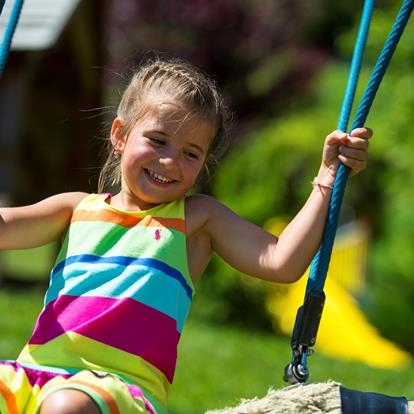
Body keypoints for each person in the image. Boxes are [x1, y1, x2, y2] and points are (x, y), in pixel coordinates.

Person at [0, 57, 372, 414]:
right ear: (120, 135)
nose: (170, 161)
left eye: (190, 153)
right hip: (35, 372)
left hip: (119, 388)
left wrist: (327, 176)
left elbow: (281, 262)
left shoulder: (195, 220)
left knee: (66, 406)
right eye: (158, 140)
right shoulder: (75, 208)